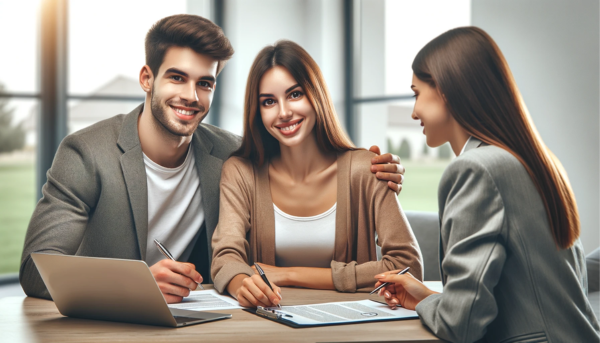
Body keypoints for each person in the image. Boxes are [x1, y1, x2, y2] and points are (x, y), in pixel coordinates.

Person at [20, 15, 405, 303]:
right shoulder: (86, 153)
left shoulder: (230, 155)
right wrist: (134, 284)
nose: (191, 95)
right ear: (146, 78)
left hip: (198, 321)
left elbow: (298, 153)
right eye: (177, 78)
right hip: (103, 325)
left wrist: (376, 169)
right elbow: (36, 268)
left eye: (205, 83)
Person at [374, 27, 600, 342]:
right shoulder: (536, 161)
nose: (413, 112)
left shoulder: (476, 169)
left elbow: (459, 325)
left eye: (416, 93)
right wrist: (427, 295)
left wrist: (428, 303)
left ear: (444, 90)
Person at [210, 41, 423, 308]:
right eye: (268, 102)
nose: (284, 112)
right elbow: (225, 257)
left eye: (295, 94)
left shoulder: (366, 169)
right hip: (268, 321)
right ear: (258, 111)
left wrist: (290, 274)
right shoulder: (241, 172)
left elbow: (408, 268)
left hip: (350, 324)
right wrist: (243, 283)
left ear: (316, 95)